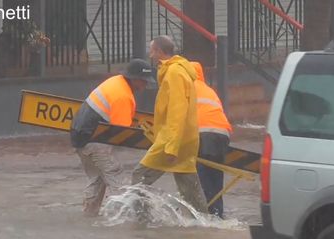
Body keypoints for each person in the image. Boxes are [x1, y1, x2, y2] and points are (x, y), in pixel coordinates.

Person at [131, 36, 208, 213]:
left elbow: (177, 111)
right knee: (189, 187)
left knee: (140, 176)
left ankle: (142, 220)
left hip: (172, 140)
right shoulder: (176, 71)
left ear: (159, 51)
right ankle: (206, 223)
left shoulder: (174, 73)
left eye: (152, 50)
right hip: (184, 139)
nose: (150, 54)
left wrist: (171, 146)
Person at [70, 59, 154, 216]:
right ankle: (124, 217)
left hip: (80, 137)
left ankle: (89, 216)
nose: (145, 86)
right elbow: (122, 131)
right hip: (94, 140)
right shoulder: (123, 96)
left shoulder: (116, 82)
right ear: (134, 79)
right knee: (115, 175)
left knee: (98, 179)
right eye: (143, 82)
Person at [191, 62, 232, 218]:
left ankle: (203, 214)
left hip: (201, 133)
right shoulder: (209, 90)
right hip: (222, 134)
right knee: (215, 176)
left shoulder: (185, 88)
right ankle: (217, 213)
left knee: (200, 176)